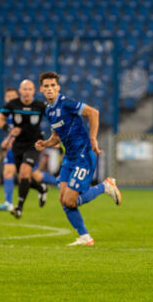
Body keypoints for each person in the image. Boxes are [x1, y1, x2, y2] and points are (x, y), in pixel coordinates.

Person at [35, 71, 122, 246]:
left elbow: (93, 113)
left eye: (53, 85)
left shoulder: (66, 103)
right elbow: (56, 136)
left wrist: (92, 138)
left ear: (58, 87)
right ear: (42, 89)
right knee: (63, 200)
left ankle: (105, 186)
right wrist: (45, 143)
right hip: (69, 157)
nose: (50, 89)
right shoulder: (49, 111)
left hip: (83, 155)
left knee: (70, 200)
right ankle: (85, 237)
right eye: (47, 86)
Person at [0, 81, 49, 218]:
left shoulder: (40, 106)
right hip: (18, 146)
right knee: (23, 177)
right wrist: (9, 129)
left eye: (29, 89)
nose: (27, 91)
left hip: (34, 144)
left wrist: (53, 137)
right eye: (24, 89)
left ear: (34, 90)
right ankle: (41, 188)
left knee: (26, 171)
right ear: (20, 90)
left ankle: (19, 207)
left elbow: (54, 118)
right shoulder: (12, 105)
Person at [0, 88, 19, 211]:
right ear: (5, 98)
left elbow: (20, 129)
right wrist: (8, 139)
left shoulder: (18, 111)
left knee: (34, 176)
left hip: (21, 146)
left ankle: (58, 183)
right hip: (13, 146)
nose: (10, 99)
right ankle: (8, 202)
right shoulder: (8, 112)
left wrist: (9, 140)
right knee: (7, 171)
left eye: (13, 96)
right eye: (8, 96)